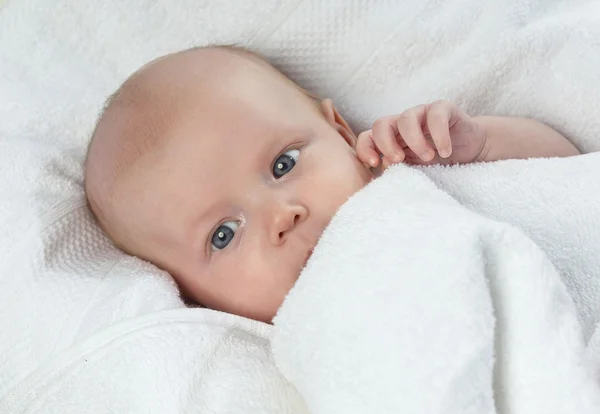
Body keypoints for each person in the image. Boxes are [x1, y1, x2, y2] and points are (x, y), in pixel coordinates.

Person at [84, 45, 579, 322]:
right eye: (223, 234)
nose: (282, 216)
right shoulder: (267, 346)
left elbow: (567, 173)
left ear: (341, 131)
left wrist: (481, 145)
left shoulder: (404, 173)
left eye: (283, 164)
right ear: (190, 295)